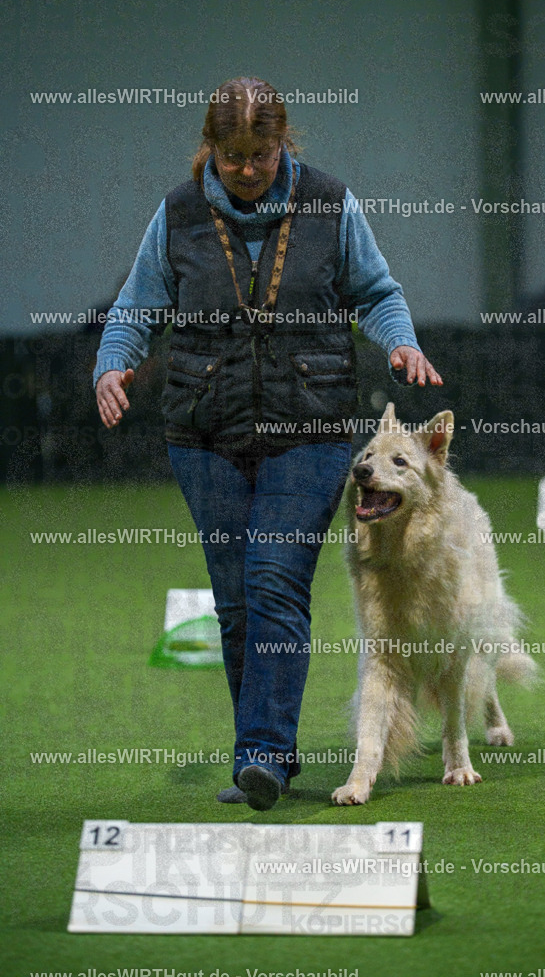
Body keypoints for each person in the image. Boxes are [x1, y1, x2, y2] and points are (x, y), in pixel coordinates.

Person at [94, 76, 442, 811]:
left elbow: (376, 293)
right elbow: (137, 305)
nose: (249, 170)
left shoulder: (330, 203)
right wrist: (111, 364)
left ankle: (257, 756)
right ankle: (270, 754)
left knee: (273, 580)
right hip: (203, 434)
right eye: (233, 156)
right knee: (235, 605)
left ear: (285, 144)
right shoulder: (179, 214)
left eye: (262, 153)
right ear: (209, 149)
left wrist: (399, 344)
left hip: (308, 431)